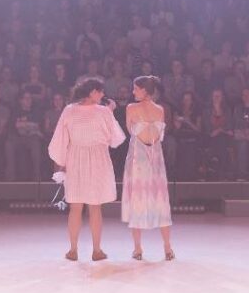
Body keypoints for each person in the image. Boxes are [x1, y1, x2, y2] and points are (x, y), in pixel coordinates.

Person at [48, 78, 126, 262]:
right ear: (92, 92)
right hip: (96, 159)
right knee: (94, 207)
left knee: (76, 207)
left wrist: (61, 161)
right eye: (100, 91)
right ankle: (96, 250)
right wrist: (110, 112)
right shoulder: (103, 111)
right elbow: (115, 139)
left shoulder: (69, 110)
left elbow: (60, 139)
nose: (102, 94)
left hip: (76, 158)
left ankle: (73, 250)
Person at [121, 76, 174, 261]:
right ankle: (167, 248)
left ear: (144, 90)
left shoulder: (131, 108)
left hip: (139, 159)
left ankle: (138, 249)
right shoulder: (160, 110)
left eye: (136, 89)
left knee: (137, 199)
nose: (133, 92)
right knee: (160, 199)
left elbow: (130, 130)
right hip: (155, 159)